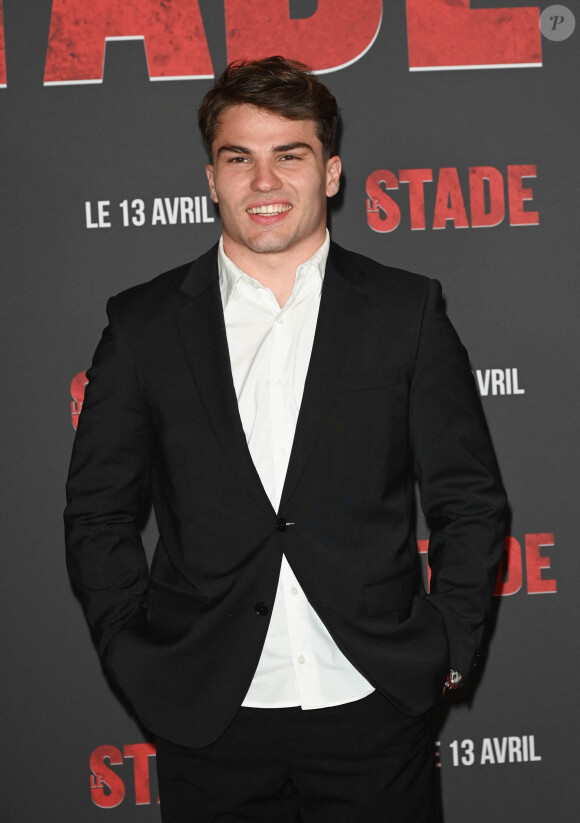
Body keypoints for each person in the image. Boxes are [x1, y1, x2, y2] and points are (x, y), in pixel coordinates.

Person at [65, 56, 507, 822]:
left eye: (289, 156)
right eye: (240, 158)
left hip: (376, 704)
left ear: (331, 173)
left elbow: (468, 500)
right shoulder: (142, 325)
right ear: (212, 179)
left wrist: (448, 644)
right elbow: (98, 514)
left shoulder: (407, 311)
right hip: (208, 714)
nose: (264, 182)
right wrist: (132, 656)